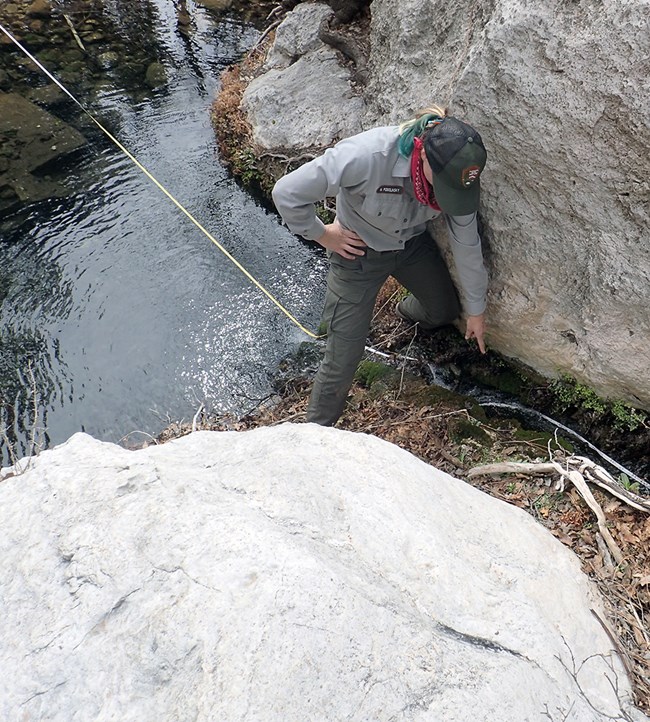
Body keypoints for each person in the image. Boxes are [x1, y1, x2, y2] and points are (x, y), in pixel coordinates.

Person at [272, 105, 489, 426]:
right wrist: (323, 235)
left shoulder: (458, 178)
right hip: (356, 253)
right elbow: (287, 192)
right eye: (443, 188)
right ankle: (314, 433)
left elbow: (467, 243)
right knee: (342, 358)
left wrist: (477, 310)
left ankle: (402, 311)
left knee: (444, 311)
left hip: (410, 246)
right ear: (425, 156)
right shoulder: (367, 155)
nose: (446, 198)